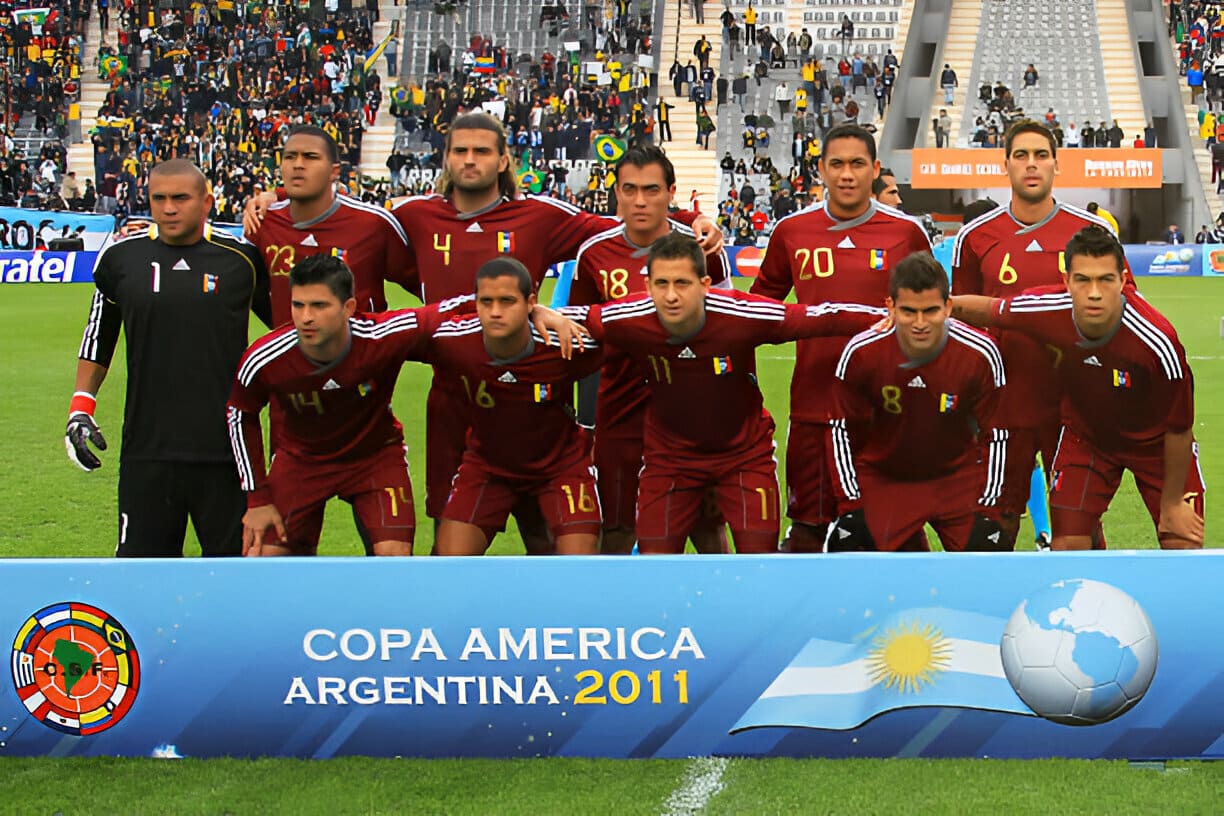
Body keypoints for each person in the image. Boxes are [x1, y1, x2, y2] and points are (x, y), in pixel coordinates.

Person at [571, 233, 885, 554]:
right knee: (655, 566)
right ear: (648, 286)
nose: (671, 295)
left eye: (682, 283)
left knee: (758, 563)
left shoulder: (741, 314)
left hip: (744, 457)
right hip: (668, 460)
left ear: (705, 284)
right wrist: (538, 313)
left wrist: (889, 319)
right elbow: (577, 317)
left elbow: (822, 317)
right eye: (661, 284)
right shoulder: (628, 317)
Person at [951, 226, 1204, 550]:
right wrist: (934, 307)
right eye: (1083, 280)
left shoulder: (1158, 342)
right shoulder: (1045, 308)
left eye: (1106, 280)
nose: (1094, 292)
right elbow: (989, 310)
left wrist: (1171, 505)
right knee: (1067, 547)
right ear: (1067, 281)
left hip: (1156, 447)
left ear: (1124, 281)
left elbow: (1179, 430)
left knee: (1181, 545)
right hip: (1089, 438)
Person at [67, 160, 272, 557]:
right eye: (158, 198)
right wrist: (80, 407)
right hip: (147, 452)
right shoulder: (121, 259)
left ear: (207, 202)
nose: (169, 208)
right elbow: (99, 334)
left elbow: (290, 330)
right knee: (141, 580)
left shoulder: (241, 261)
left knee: (234, 578)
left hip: (227, 453)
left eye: (180, 198)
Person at [750, 124, 932, 552]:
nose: (846, 174)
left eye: (856, 164)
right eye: (837, 164)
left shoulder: (906, 234)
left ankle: (913, 620)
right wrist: (820, 321)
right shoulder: (792, 231)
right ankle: (804, 620)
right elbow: (760, 313)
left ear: (875, 169)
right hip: (816, 407)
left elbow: (934, 318)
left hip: (889, 410)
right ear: (821, 170)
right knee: (808, 530)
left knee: (901, 529)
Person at [951, 120, 1119, 549]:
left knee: (1077, 530)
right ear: (1004, 164)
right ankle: (988, 612)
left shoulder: (1091, 234)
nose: (1031, 165)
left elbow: (1123, 308)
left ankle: (1087, 614)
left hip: (1073, 404)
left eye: (1041, 155)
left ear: (1056, 165)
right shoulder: (975, 237)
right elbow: (959, 321)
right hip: (1003, 405)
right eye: (1021, 155)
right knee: (994, 526)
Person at [568, 146, 731, 554]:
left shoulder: (702, 249)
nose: (640, 201)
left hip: (692, 413)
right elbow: (580, 334)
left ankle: (730, 616)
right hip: (620, 414)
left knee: (707, 530)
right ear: (617, 193)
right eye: (630, 190)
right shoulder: (594, 253)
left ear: (671, 192)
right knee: (618, 531)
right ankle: (617, 616)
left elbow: (730, 328)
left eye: (652, 190)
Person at [228, 256, 432, 556]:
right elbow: (238, 413)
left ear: (348, 308)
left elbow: (444, 315)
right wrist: (257, 498)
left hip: (374, 457)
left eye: (319, 306)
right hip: (301, 461)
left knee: (395, 561)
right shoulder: (264, 359)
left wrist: (524, 316)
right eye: (298, 305)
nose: (306, 317)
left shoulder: (382, 336)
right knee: (263, 559)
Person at [828, 252, 1008, 552]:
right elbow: (840, 430)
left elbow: (997, 434)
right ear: (891, 307)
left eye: (931, 311)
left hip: (956, 477)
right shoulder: (861, 352)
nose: (920, 323)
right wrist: (853, 505)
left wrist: (987, 509)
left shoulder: (981, 352)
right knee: (851, 549)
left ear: (948, 307)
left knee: (987, 556)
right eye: (909, 311)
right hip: (886, 478)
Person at [432, 258, 603, 556]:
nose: (496, 312)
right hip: (487, 467)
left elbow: (630, 323)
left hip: (561, 467)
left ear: (530, 302)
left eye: (508, 301)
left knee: (580, 568)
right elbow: (404, 326)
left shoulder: (567, 339)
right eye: (487, 301)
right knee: (447, 567)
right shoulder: (454, 340)